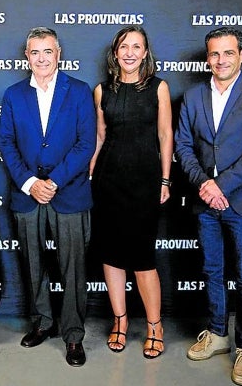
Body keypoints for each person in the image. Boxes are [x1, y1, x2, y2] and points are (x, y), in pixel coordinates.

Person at [175, 27, 242, 385]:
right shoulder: (193, 96)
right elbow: (183, 147)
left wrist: (221, 185)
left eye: (228, 53)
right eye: (214, 54)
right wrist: (205, 185)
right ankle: (217, 334)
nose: (221, 60)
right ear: (208, 58)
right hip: (206, 203)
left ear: (241, 56)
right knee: (212, 271)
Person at [0, 27, 96, 367]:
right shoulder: (13, 95)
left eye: (48, 52)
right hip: (27, 195)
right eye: (35, 52)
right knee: (32, 264)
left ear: (59, 54)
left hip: (68, 193)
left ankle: (72, 336)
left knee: (73, 269)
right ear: (27, 56)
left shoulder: (80, 91)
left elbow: (87, 143)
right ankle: (42, 323)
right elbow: (7, 144)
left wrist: (52, 181)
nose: (41, 58)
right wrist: (30, 182)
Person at [89, 26, 173, 359]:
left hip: (144, 180)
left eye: (136, 47)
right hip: (108, 180)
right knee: (111, 256)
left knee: (141, 258)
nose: (130, 52)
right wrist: (91, 172)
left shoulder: (158, 87)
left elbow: (166, 136)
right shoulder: (102, 90)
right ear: (115, 52)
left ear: (145, 52)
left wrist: (165, 180)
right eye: (124, 46)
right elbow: (99, 136)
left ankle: (155, 325)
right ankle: (120, 321)